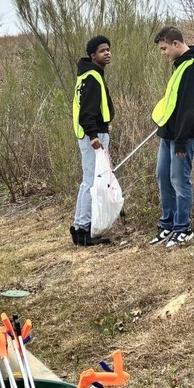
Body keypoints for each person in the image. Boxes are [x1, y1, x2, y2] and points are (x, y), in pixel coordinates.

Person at [148, 26, 194, 249]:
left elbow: (188, 106)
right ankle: (167, 224)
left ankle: (183, 228)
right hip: (169, 133)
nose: (163, 53)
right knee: (163, 177)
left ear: (176, 44)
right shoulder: (180, 65)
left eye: (164, 48)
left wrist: (181, 141)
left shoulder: (193, 66)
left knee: (179, 180)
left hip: (184, 136)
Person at [70, 35, 115, 247]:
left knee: (87, 181)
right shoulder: (92, 77)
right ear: (92, 55)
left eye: (108, 49)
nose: (107, 53)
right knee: (91, 182)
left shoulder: (89, 75)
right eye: (102, 50)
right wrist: (94, 135)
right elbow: (86, 112)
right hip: (93, 137)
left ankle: (80, 228)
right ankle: (83, 230)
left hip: (92, 134)